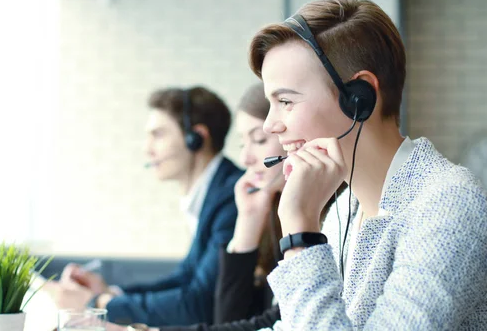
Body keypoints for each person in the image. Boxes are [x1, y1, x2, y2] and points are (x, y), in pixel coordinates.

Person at [246, 0, 487, 330]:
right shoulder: (344, 209)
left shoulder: (448, 205)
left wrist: (299, 234)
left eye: (285, 101)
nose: (269, 125)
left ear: (359, 97)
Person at [105, 83, 339, 331]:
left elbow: (208, 305)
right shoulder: (266, 207)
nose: (245, 159)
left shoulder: (319, 217)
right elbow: (228, 319)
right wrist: (247, 225)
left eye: (259, 140)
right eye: (242, 144)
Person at [47, 86, 243, 327]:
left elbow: (198, 303)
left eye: (158, 134)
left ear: (197, 138)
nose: (147, 149)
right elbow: (185, 278)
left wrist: (98, 302)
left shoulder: (232, 196)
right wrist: (112, 293)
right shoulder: (214, 192)